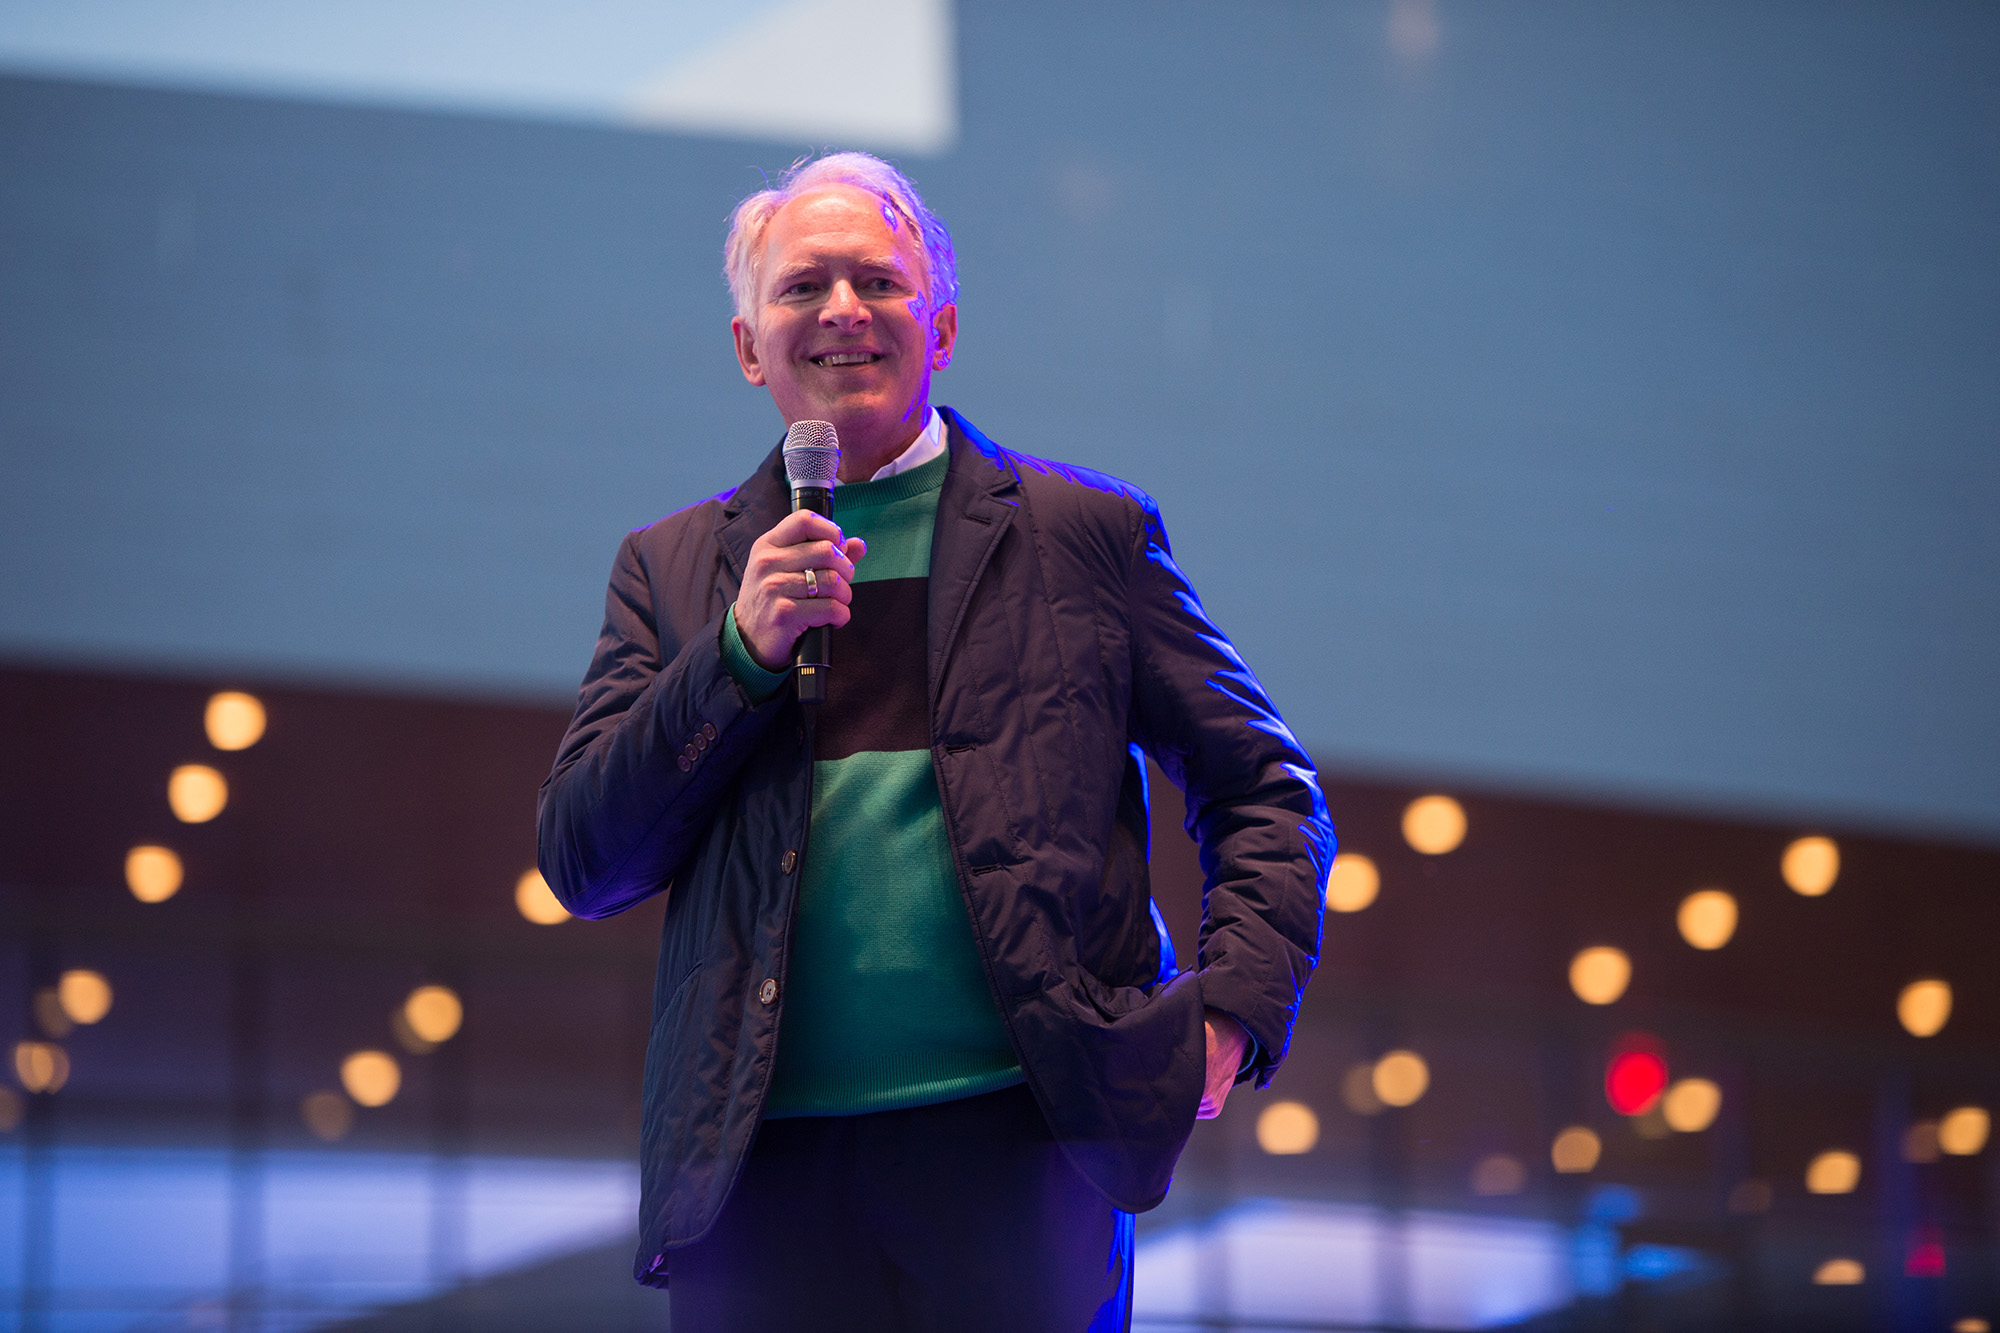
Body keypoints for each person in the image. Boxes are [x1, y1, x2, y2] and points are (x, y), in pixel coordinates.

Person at [537, 151, 1332, 1332]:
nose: (844, 311)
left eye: (880, 282)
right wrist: (736, 654)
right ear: (750, 346)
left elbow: (1265, 785)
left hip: (1020, 1142)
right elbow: (584, 859)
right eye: (804, 286)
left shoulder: (1081, 537)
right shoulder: (670, 571)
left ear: (942, 324)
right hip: (756, 1173)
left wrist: (1235, 1009)